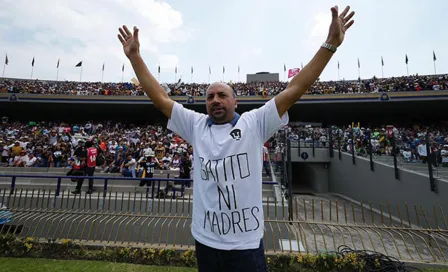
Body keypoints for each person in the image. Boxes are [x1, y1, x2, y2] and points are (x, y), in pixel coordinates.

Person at [117, 5, 355, 272]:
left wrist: (330, 44)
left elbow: (296, 88)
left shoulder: (254, 123)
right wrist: (135, 57)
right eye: (209, 97)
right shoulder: (196, 126)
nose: (215, 100)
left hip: (246, 246)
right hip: (205, 241)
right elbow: (160, 99)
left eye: (222, 95)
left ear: (235, 101)